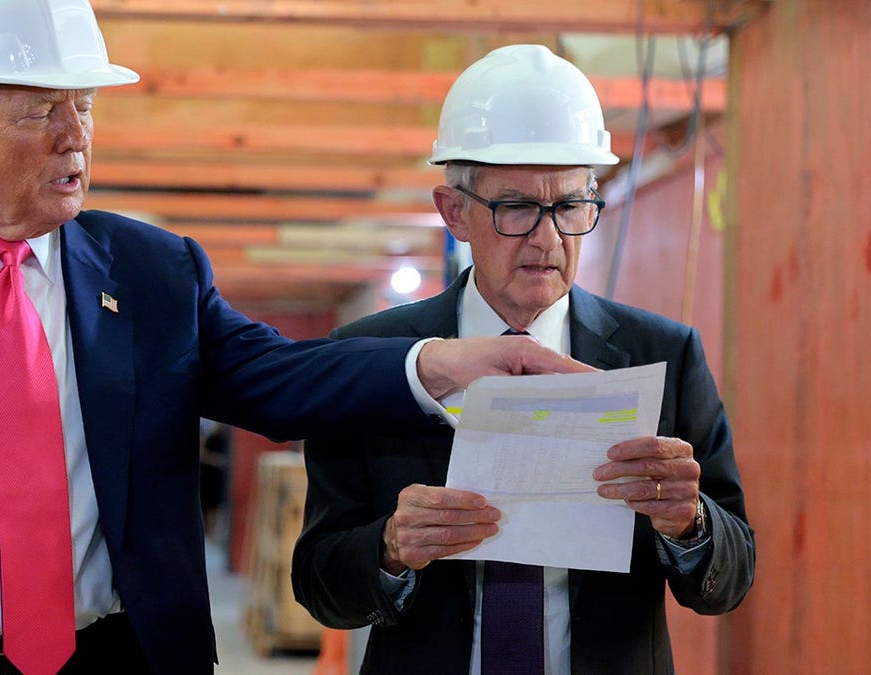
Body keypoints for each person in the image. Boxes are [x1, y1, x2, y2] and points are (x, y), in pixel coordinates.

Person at [0, 5, 591, 673]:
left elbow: (276, 378)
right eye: (44, 111)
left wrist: (440, 361)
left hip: (119, 657)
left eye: (85, 106)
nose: (78, 136)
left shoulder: (154, 271)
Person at [291, 44, 755, 674]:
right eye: (516, 208)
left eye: (568, 207)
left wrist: (689, 524)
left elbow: (732, 575)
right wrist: (390, 548)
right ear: (455, 211)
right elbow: (319, 582)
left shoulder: (664, 355)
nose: (548, 239)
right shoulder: (372, 358)